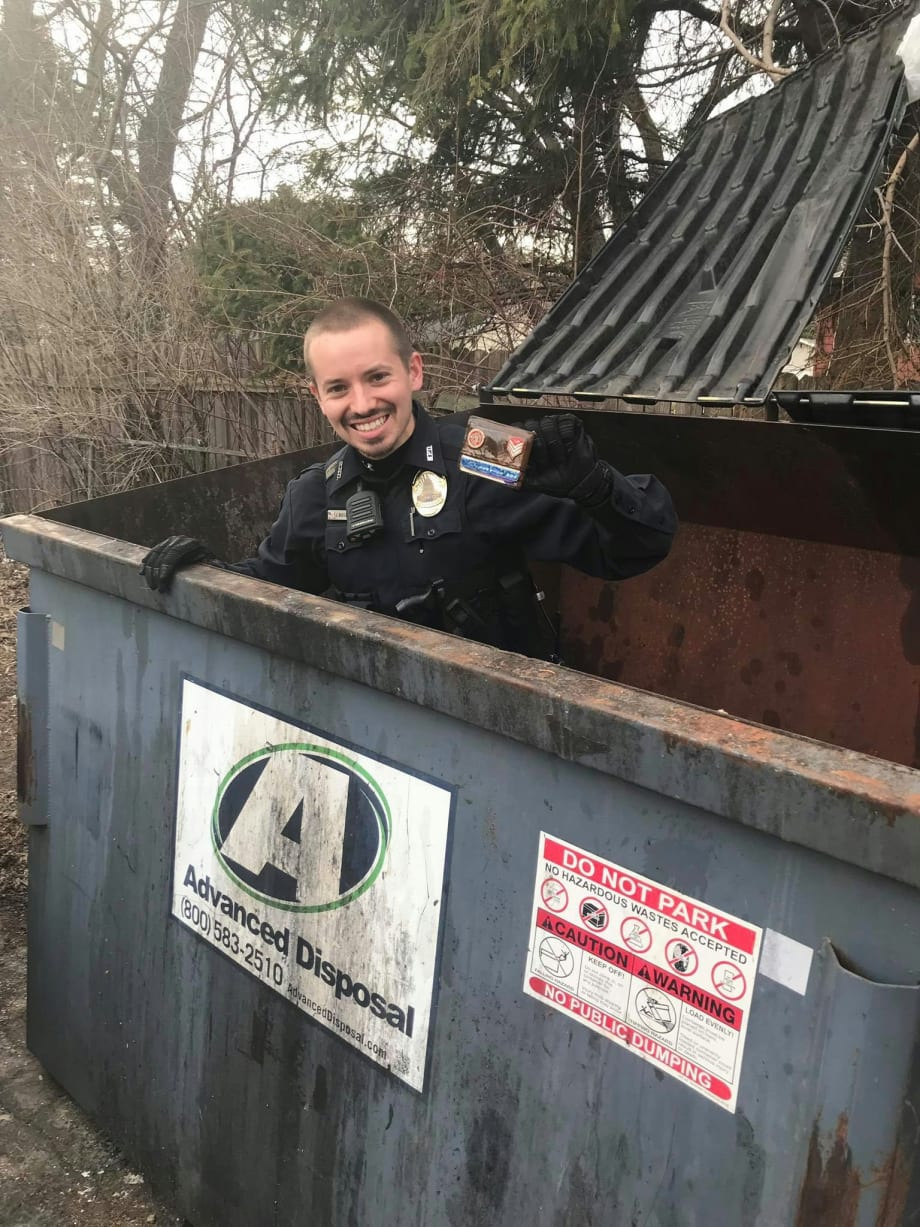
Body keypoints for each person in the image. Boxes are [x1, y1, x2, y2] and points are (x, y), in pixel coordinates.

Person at [140, 298, 676, 659]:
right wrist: (207, 573)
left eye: (377, 377)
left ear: (413, 372)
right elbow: (270, 583)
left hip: (506, 726)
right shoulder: (315, 494)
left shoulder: (483, 451)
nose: (363, 404)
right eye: (338, 388)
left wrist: (596, 487)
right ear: (317, 398)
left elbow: (638, 547)